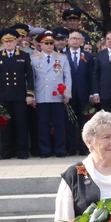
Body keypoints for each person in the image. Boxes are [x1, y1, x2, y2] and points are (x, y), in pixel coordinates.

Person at [0, 27, 35, 159]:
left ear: (16, 41)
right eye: (6, 41)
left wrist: (30, 94)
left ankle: (22, 151)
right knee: (5, 125)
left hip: (20, 96)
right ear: (3, 42)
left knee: (21, 124)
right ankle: (7, 151)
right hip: (4, 95)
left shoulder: (24, 55)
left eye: (11, 41)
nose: (9, 44)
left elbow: (29, 77)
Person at [30, 30, 72, 158]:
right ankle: (45, 150)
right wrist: (32, 96)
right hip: (41, 95)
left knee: (59, 124)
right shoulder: (34, 58)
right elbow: (31, 79)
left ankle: (60, 149)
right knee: (43, 125)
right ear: (41, 45)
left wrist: (67, 94)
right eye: (46, 43)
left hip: (57, 96)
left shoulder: (62, 58)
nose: (49, 45)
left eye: (51, 43)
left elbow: (67, 77)